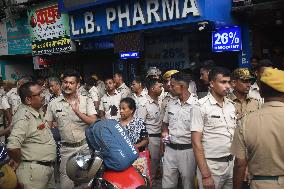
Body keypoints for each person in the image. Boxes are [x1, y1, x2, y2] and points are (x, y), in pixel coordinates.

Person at [231, 68, 284, 189]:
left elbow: (240, 165)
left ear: (260, 92)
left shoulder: (246, 122)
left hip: (260, 183)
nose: (248, 84)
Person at [45, 70, 97, 189]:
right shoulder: (53, 103)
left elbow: (93, 121)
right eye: (65, 82)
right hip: (65, 149)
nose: (68, 85)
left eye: (71, 83)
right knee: (66, 184)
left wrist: (77, 112)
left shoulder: (86, 100)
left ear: (78, 85)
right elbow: (47, 127)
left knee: (86, 183)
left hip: (85, 147)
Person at [191, 67, 237, 189]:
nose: (227, 86)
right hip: (211, 165)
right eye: (223, 82)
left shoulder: (231, 106)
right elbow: (196, 142)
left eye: (228, 82)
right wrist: (206, 175)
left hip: (232, 164)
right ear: (212, 83)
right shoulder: (200, 106)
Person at [7, 82, 56, 189]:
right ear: (28, 100)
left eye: (42, 92)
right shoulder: (24, 117)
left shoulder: (36, 111)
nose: (43, 96)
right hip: (33, 172)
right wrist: (19, 161)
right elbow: (12, 146)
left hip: (46, 169)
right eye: (39, 94)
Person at [161, 72, 198, 189]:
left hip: (188, 151)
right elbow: (165, 124)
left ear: (181, 86)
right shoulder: (171, 104)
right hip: (170, 150)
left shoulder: (197, 105)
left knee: (188, 184)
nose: (169, 87)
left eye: (172, 85)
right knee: (167, 184)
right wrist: (166, 143)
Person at [136, 78, 163, 180]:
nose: (162, 88)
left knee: (161, 163)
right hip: (151, 139)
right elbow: (140, 125)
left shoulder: (160, 100)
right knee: (151, 165)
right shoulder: (144, 104)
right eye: (159, 87)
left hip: (161, 137)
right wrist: (144, 142)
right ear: (152, 88)